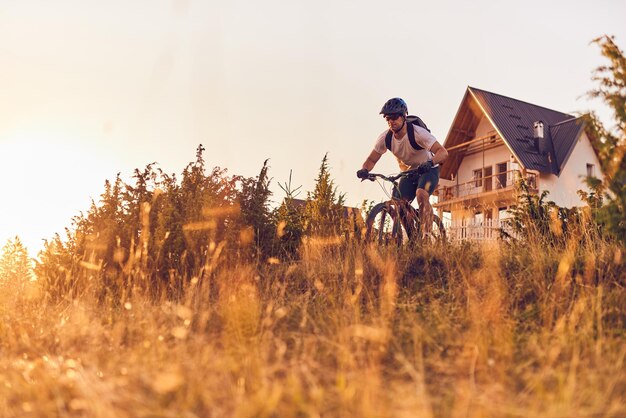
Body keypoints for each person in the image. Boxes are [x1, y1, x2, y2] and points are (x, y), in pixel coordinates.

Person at [357, 97, 448, 235]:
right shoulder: (385, 138)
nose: (391, 121)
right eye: (387, 118)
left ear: (404, 116)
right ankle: (412, 238)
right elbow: (371, 159)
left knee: (421, 194)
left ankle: (426, 236)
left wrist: (430, 163)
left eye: (394, 117)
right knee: (399, 205)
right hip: (409, 172)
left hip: (428, 169)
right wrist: (365, 170)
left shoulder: (418, 133)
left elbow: (443, 153)